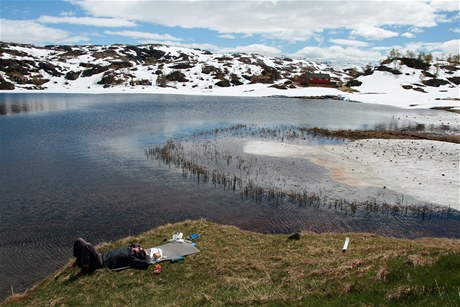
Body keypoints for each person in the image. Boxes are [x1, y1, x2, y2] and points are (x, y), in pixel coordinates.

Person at [73, 238, 150, 273]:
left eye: (139, 249)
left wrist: (146, 254)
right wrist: (137, 247)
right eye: (139, 247)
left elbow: (146, 262)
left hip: (101, 263)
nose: (138, 247)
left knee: (87, 246)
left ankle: (85, 269)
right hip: (101, 255)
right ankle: (77, 262)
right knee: (79, 241)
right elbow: (134, 244)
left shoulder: (131, 258)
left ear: (138, 253)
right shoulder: (130, 248)